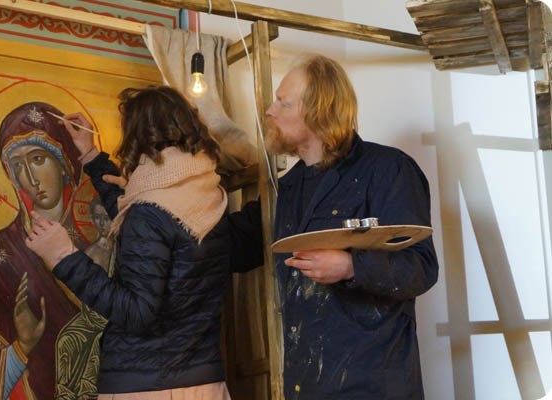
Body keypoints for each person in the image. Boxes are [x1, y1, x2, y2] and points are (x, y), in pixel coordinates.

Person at [238, 54, 439, 399]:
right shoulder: (285, 191)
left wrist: (350, 266)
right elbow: (233, 244)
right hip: (306, 388)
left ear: (319, 110)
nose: (270, 111)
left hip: (373, 387)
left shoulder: (387, 170)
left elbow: (421, 268)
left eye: (284, 103)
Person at [25, 86, 244, 399]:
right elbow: (145, 230)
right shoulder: (205, 194)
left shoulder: (150, 211)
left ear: (138, 135)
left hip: (147, 386)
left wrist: (63, 255)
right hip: (203, 383)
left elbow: (136, 312)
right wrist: (92, 157)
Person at [0, 102, 110, 400]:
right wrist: (21, 348)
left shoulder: (109, 238)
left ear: (65, 163)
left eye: (38, 159)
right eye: (17, 165)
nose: (30, 176)